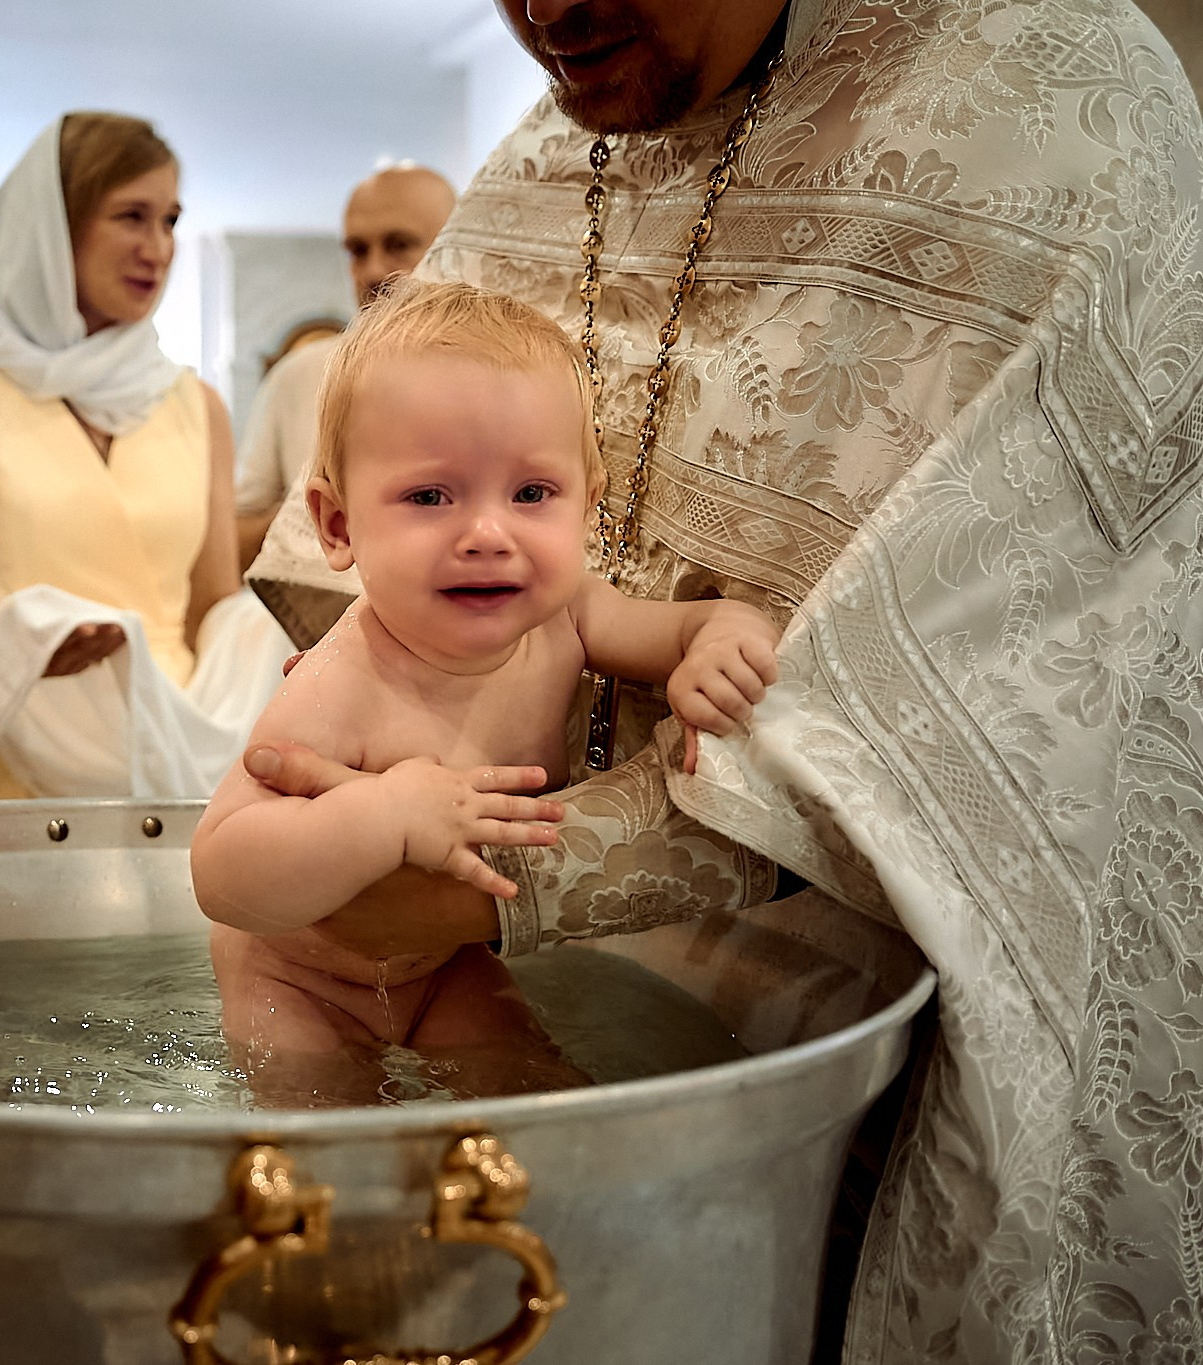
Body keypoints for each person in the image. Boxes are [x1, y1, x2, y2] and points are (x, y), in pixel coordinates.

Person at [242, 0, 1203, 1359]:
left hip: (851, 1033)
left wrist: (507, 844)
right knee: (340, 1198)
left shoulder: (1058, 97)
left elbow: (995, 681)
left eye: (528, 491)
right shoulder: (557, 132)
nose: (545, 13)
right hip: (393, 937)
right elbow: (286, 757)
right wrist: (373, 829)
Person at [195, 279, 778, 1104]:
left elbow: (686, 629)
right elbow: (221, 874)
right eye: (431, 496)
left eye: (532, 494)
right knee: (324, 1145)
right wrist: (385, 814)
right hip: (297, 981)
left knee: (537, 1099)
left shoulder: (569, 617)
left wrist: (718, 641)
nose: (488, 534)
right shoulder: (340, 682)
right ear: (338, 526)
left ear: (588, 505)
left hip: (444, 969)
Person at [0, 113, 287, 803]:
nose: (157, 248)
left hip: (165, 777)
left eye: (171, 221)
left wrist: (278, 633)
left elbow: (211, 605)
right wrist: (7, 659)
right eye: (130, 216)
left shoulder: (194, 404)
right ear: (52, 227)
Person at [234, 165, 458, 570]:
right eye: (357, 251)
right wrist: (320, 512)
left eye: (399, 244)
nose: (373, 270)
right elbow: (234, 542)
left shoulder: (508, 379)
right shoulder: (298, 375)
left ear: (454, 245)